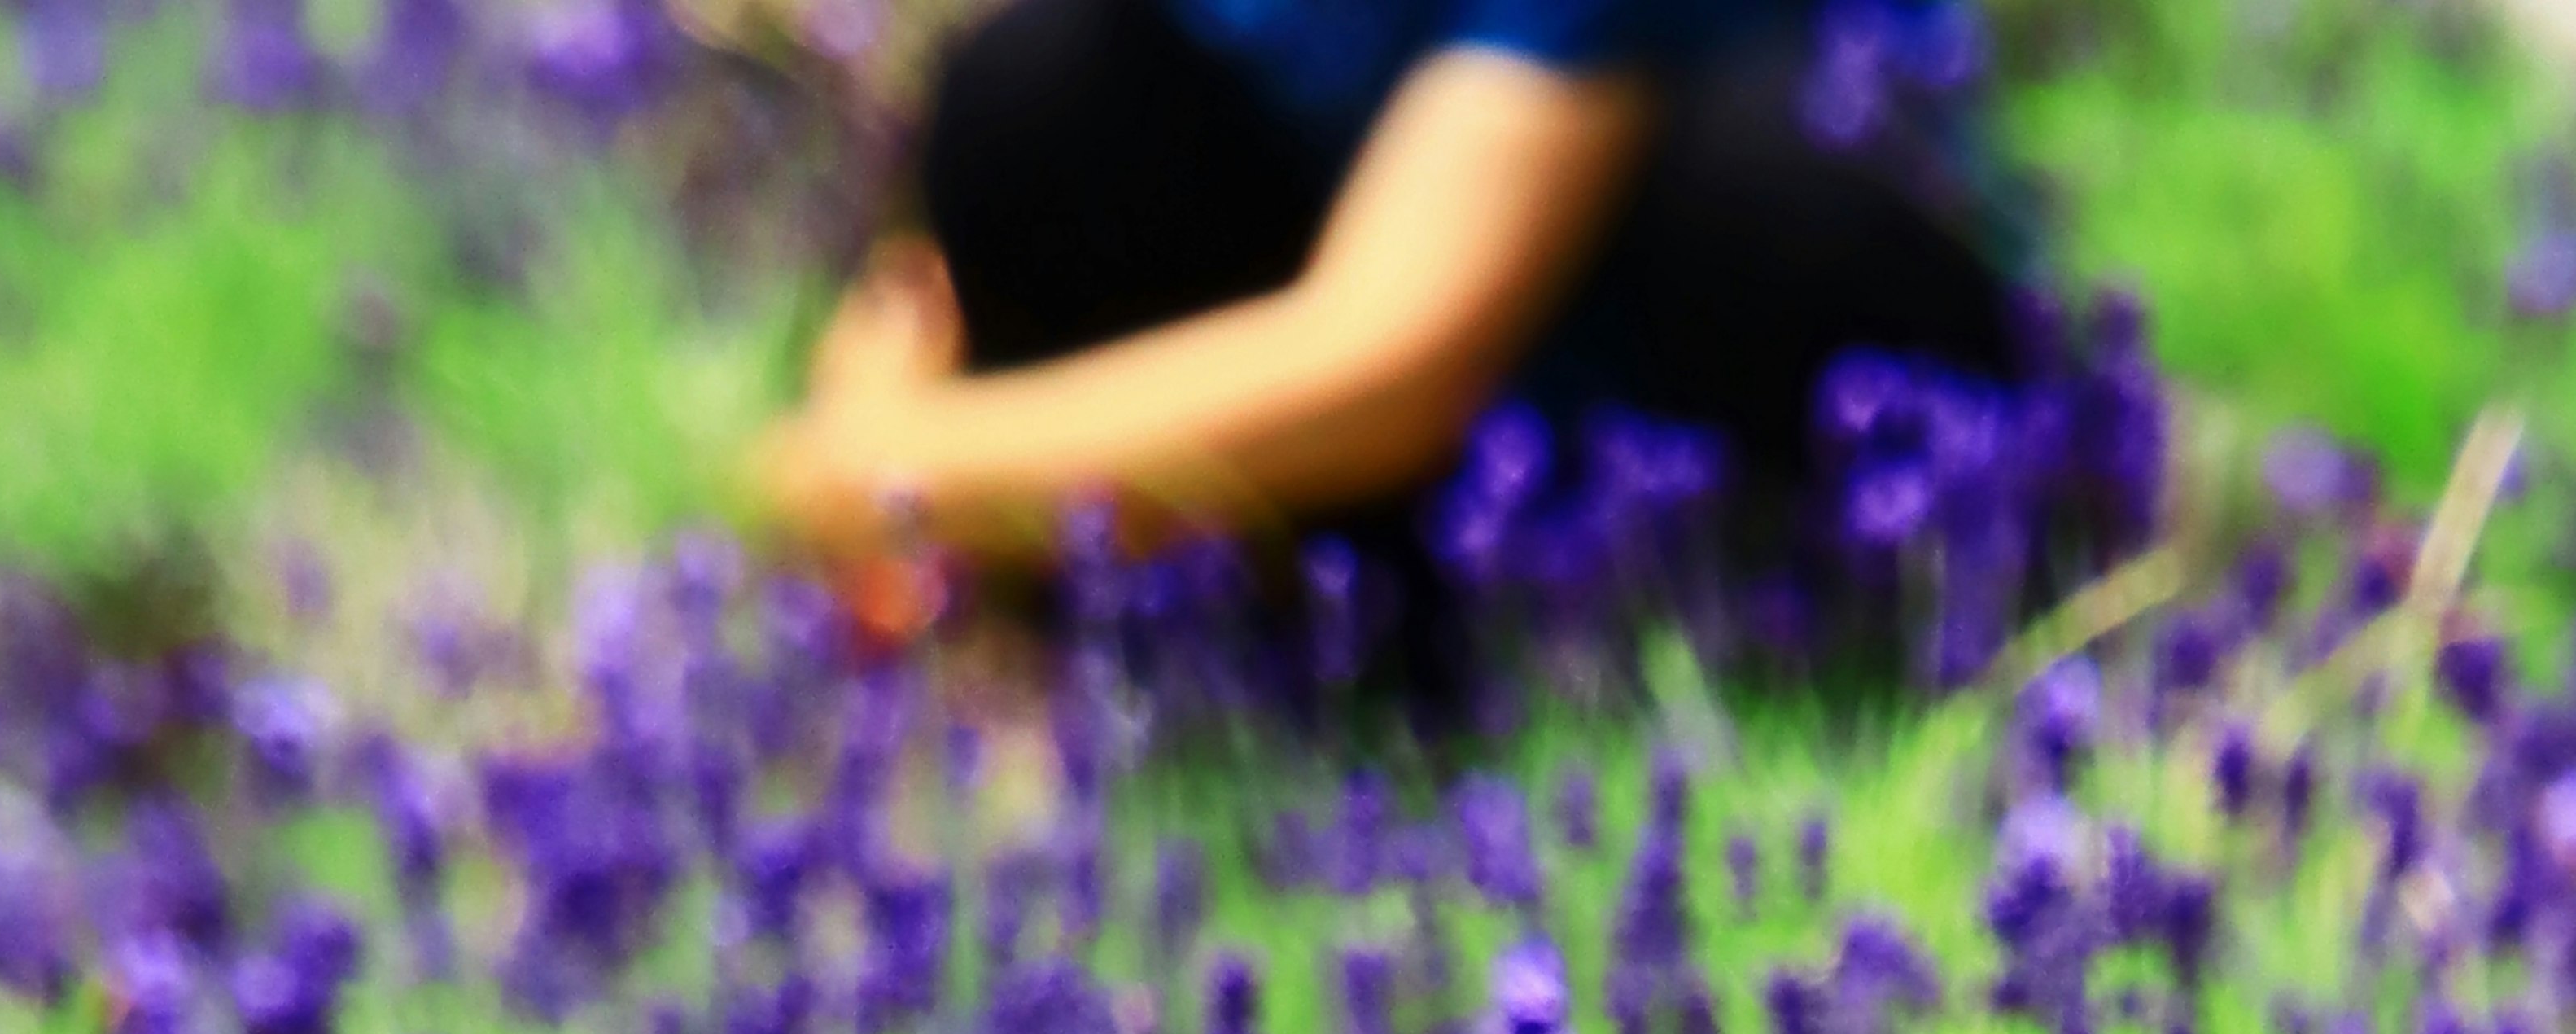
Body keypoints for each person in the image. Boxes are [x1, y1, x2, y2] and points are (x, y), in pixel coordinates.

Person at [744, 0, 2033, 568]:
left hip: (1715, 416)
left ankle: (1834, 632)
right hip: (1428, 446)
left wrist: (875, 472)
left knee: (1779, 185)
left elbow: (1396, 362)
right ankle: (1214, 652)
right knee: (1044, 87)